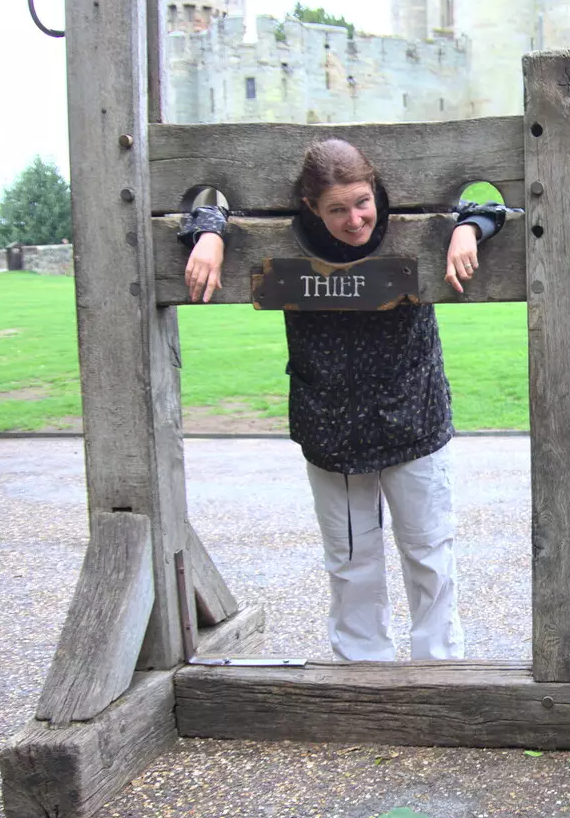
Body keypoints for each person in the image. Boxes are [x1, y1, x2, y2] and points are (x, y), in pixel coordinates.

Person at [176, 137, 504, 662]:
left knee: (428, 551)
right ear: (309, 208)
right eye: (336, 209)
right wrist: (211, 232)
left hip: (412, 413)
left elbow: (490, 201)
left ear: (376, 190)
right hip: (329, 421)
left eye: (362, 202)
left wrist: (469, 227)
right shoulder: (289, 239)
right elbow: (196, 206)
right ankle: (361, 668)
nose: (354, 220)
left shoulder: (405, 220)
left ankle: (439, 667)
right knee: (351, 558)